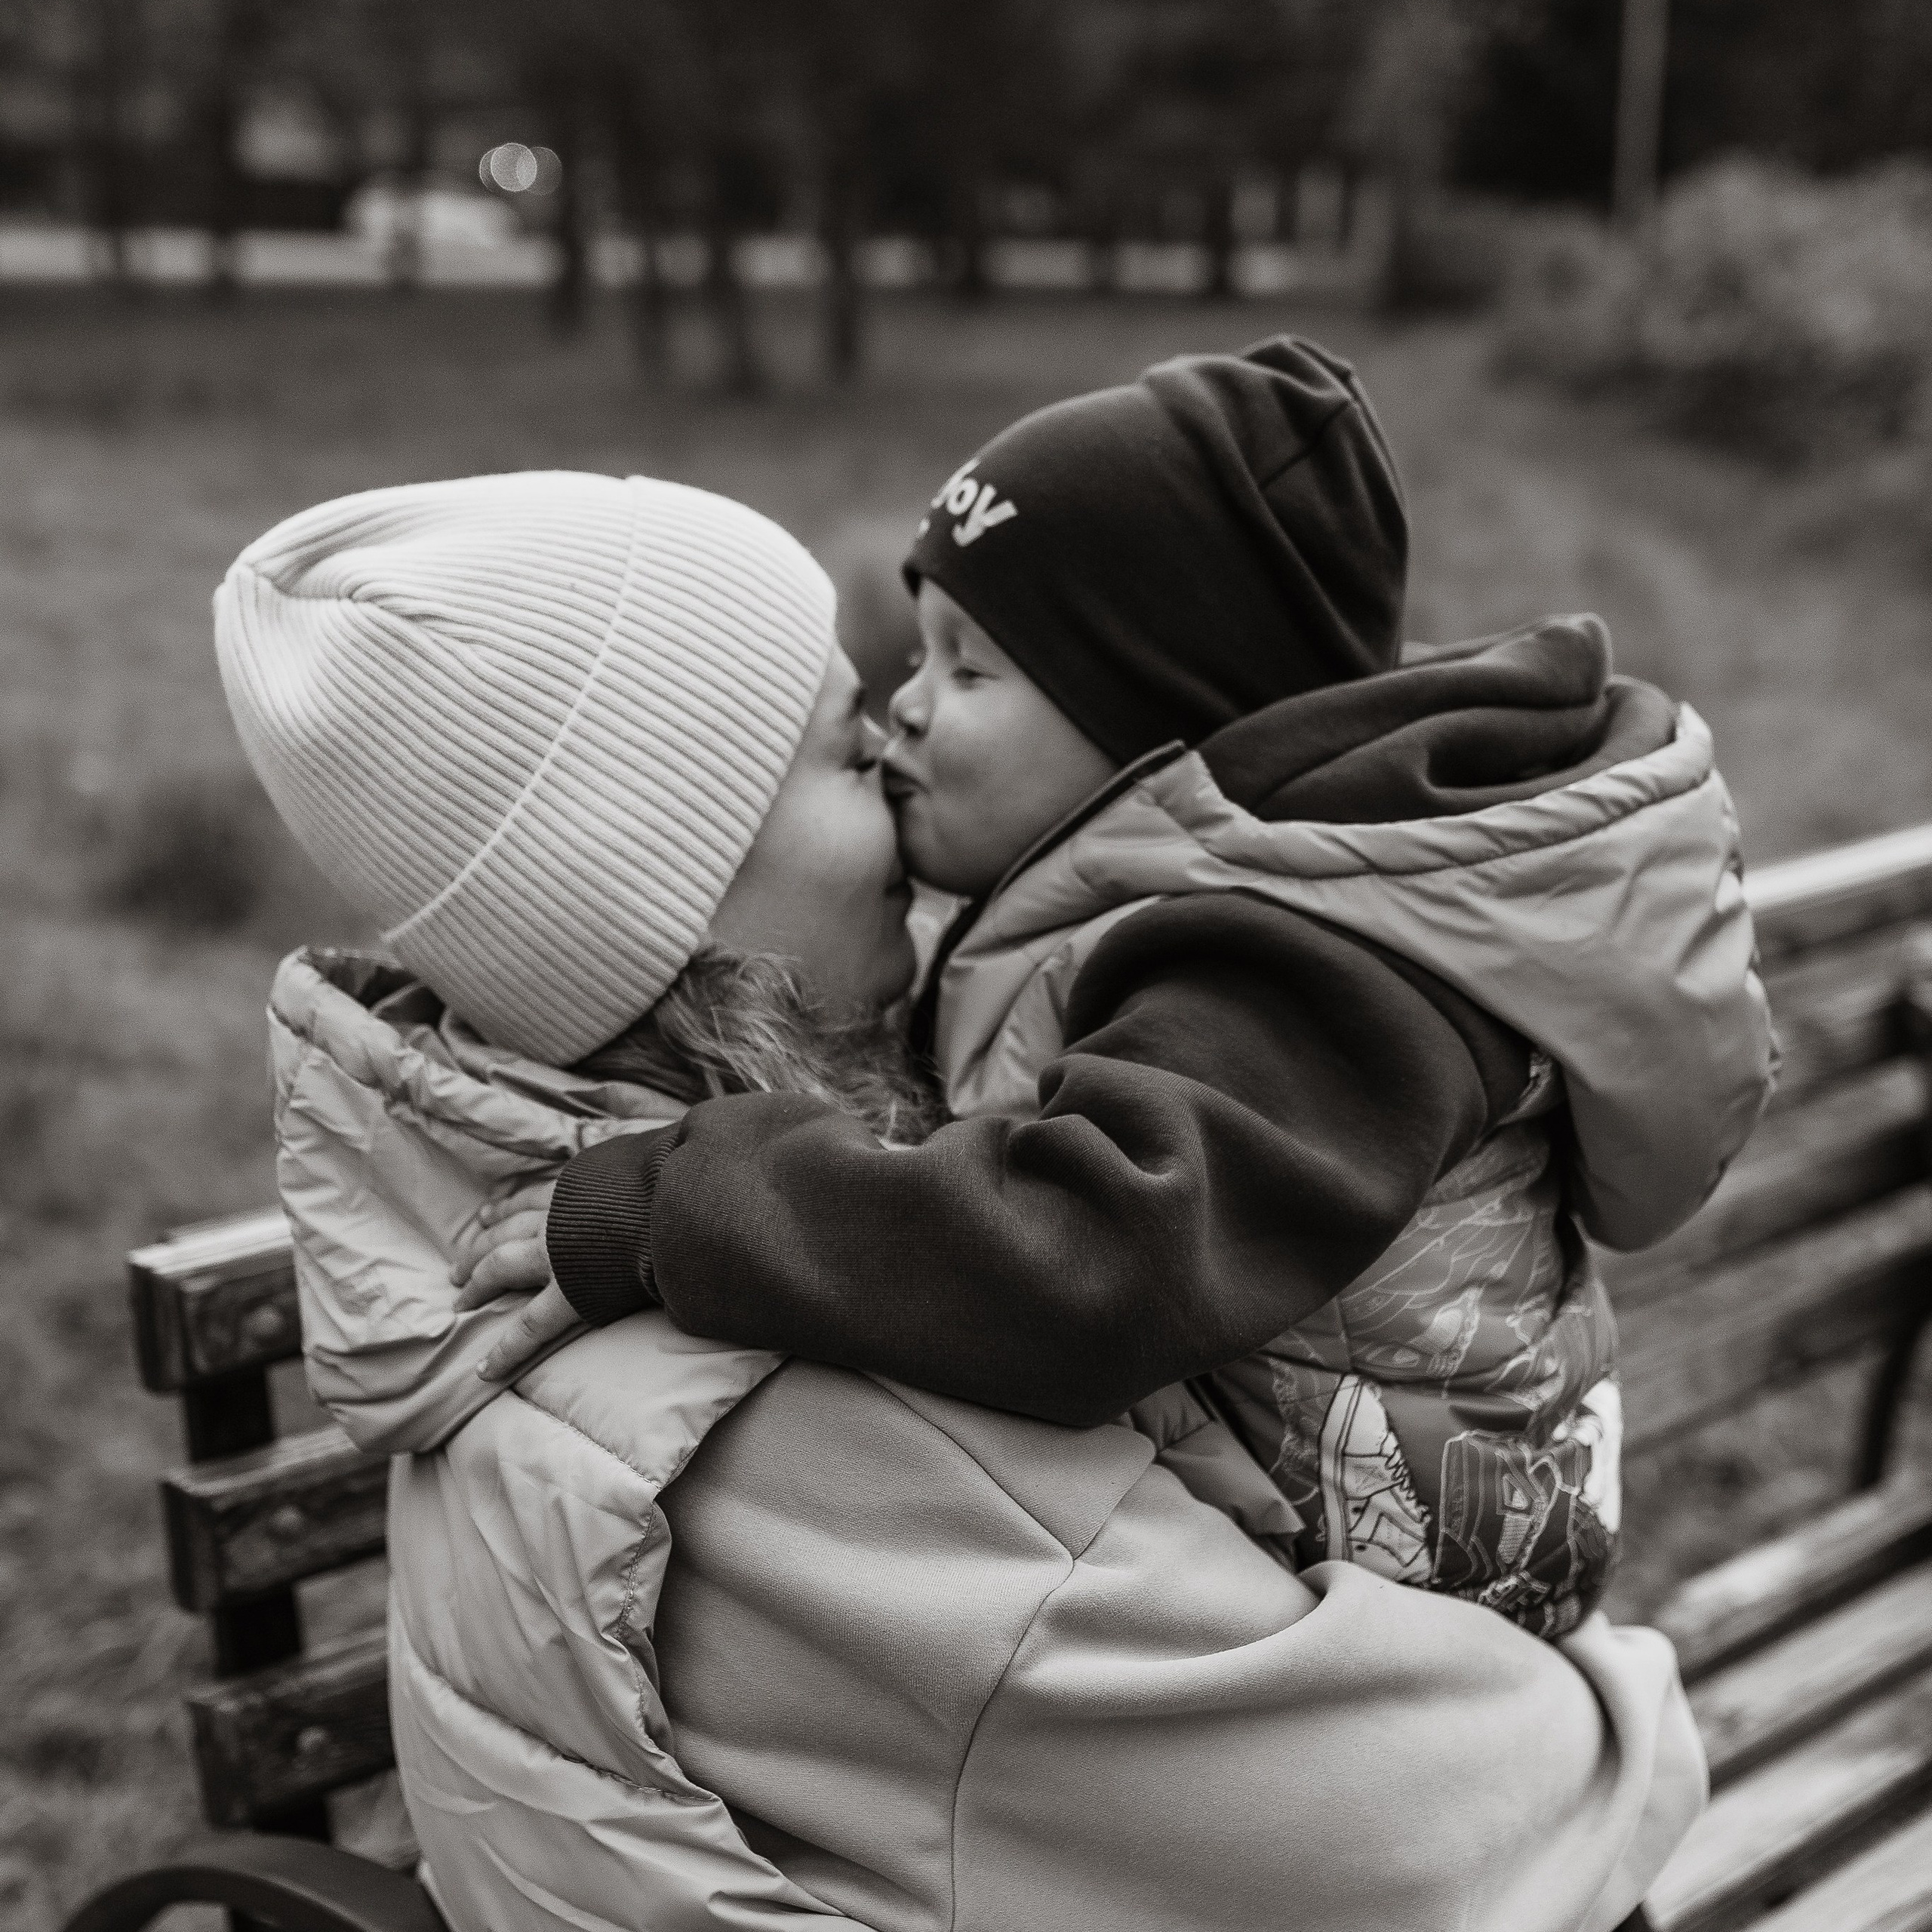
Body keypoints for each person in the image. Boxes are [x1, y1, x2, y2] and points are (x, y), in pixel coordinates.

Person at [216, 469, 1703, 1932]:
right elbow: (1457, 1829)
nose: (897, 751)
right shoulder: (822, 1395)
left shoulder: (484, 1172)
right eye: (834, 743)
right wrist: (1627, 1695)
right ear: (670, 885)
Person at [457, 340, 1777, 1641]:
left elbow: (1090, 1255)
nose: (903, 710)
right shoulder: (1219, 912)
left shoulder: (1285, 972)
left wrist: (683, 1211)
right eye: (918, 652)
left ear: (1155, 719)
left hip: (1403, 1614)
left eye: (970, 668)